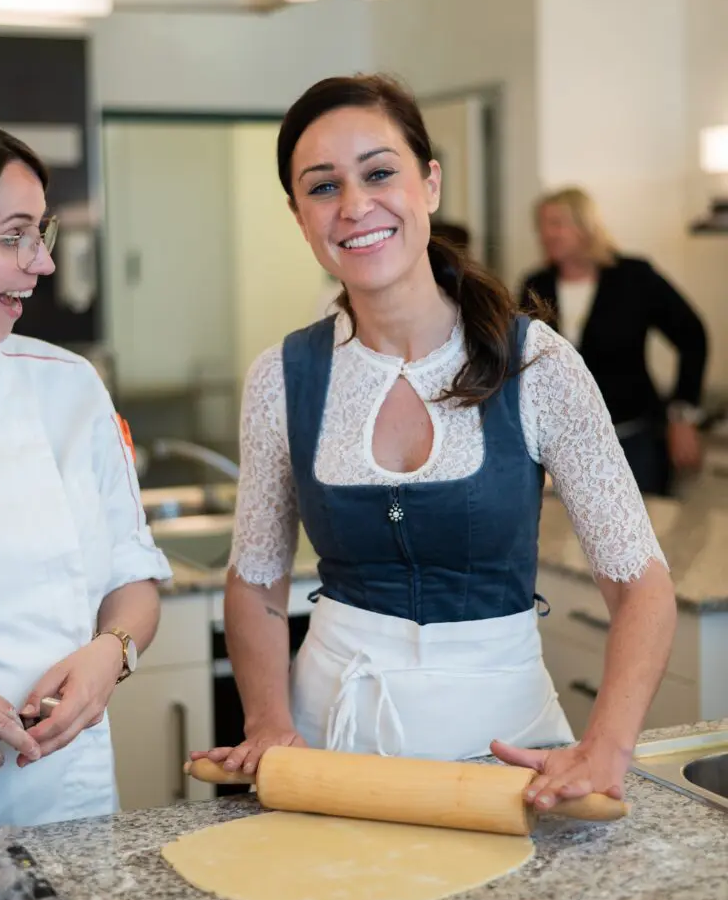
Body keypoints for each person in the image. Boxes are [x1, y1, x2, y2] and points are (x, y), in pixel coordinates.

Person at [192, 75, 676, 813]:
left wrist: (607, 744)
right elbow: (257, 583)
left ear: (430, 183)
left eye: (379, 173)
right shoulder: (280, 376)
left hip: (504, 748)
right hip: (330, 742)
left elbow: (640, 585)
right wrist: (268, 723)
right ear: (300, 217)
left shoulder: (538, 364)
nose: (355, 206)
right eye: (323, 187)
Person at [0, 114, 172, 832]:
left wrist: (111, 654)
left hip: (64, 797)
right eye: (13, 236)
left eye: (41, 233)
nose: (42, 263)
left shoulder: (68, 386)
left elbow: (133, 578)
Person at [519, 187, 708, 497]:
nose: (545, 234)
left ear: (585, 225)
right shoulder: (536, 284)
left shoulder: (634, 277)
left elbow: (692, 336)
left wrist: (683, 416)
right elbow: (524, 359)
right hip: (561, 443)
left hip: (632, 437)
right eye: (541, 225)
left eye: (556, 223)